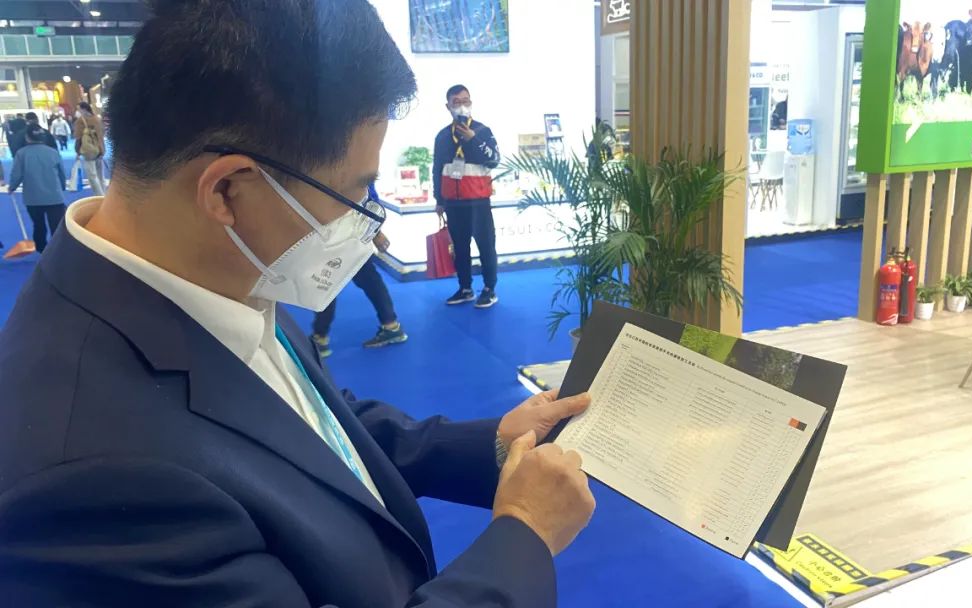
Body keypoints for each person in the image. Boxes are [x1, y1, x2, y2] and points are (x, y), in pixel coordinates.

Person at [0, 1, 595, 607]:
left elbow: (308, 422)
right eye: (356, 191)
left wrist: (493, 442)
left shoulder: (217, 271)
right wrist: (524, 534)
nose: (367, 219)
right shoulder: (90, 480)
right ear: (227, 190)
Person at [312, 184, 408, 354]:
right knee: (366, 278)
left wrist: (376, 232)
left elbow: (367, 195)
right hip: (341, 228)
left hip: (342, 229)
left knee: (327, 280)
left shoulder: (345, 170)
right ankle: (391, 326)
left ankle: (320, 337)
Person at [433, 84, 501, 308]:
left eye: (466, 101)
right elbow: (437, 169)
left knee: (486, 246)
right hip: (453, 203)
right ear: (448, 106)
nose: (462, 106)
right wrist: (439, 200)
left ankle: (489, 289)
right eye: (457, 102)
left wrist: (473, 139)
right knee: (460, 249)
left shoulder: (483, 131)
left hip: (478, 201)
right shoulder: (443, 136)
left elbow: (494, 159)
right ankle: (465, 288)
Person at [8, 126, 67, 252]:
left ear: (27, 137)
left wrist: (12, 187)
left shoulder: (21, 154)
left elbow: (17, 174)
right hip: (54, 196)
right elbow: (61, 173)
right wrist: (62, 187)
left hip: (33, 197)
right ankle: (58, 249)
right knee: (56, 226)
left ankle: (41, 248)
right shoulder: (53, 152)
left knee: (38, 224)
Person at [74, 101, 106, 195]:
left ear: (83, 109)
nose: (78, 111)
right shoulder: (97, 119)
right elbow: (102, 135)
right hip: (100, 149)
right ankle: (104, 194)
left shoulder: (80, 121)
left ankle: (99, 196)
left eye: (79, 109)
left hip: (89, 151)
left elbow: (78, 137)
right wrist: (102, 149)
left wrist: (77, 151)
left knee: (92, 176)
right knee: (100, 175)